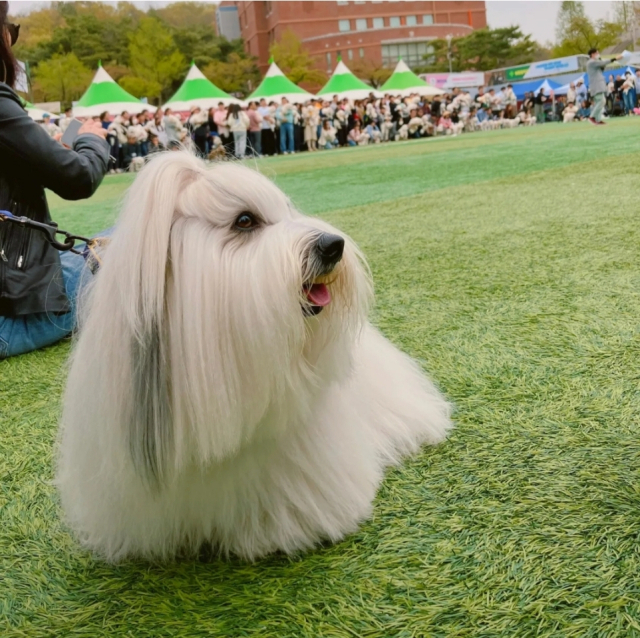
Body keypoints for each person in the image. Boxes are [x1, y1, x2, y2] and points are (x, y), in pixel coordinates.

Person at [0, 0, 110, 358]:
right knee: (139, 238)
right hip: (17, 313)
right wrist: (93, 139)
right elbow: (77, 178)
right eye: (10, 29)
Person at [586, 47, 624, 125]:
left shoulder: (594, 62)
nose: (598, 54)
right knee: (601, 101)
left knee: (600, 102)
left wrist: (601, 62)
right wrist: (615, 58)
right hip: (596, 85)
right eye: (597, 53)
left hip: (598, 85)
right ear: (592, 54)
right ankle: (592, 117)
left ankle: (598, 119)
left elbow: (601, 67)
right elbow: (603, 63)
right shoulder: (591, 62)